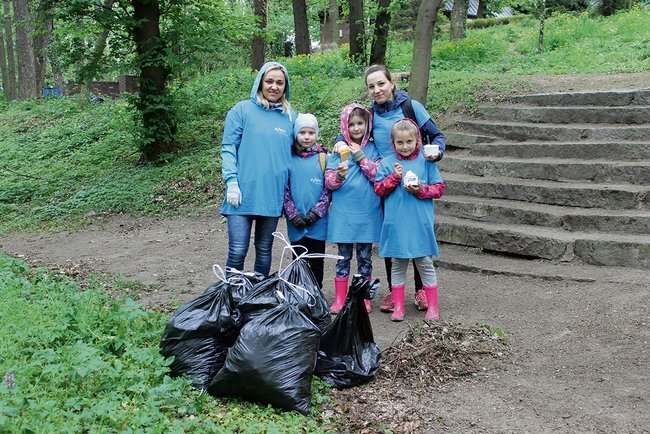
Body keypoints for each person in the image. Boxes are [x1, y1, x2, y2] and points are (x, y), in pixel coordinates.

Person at [364, 64, 446, 314]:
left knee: (418, 239)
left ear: (391, 83)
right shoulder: (370, 115)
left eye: (381, 83)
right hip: (389, 178)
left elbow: (437, 135)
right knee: (394, 237)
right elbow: (351, 133)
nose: (377, 90)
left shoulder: (411, 106)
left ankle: (422, 291)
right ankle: (394, 290)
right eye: (371, 86)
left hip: (417, 173)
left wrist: (435, 155)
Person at [220, 61, 295, 277]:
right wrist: (231, 182)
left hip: (271, 195)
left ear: (285, 86)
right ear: (260, 82)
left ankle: (258, 298)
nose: (274, 86)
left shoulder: (290, 116)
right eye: (269, 81)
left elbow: (304, 146)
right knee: (237, 250)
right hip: (241, 194)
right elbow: (228, 149)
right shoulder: (241, 110)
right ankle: (232, 298)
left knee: (264, 251)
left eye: (279, 83)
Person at [373, 119, 446, 321]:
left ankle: (432, 307)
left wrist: (421, 190)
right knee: (398, 264)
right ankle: (398, 307)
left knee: (424, 262)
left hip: (419, 223)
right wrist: (394, 178)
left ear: (418, 141)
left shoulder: (426, 162)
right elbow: (378, 189)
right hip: (396, 224)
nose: (405, 147)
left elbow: (439, 188)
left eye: (409, 142)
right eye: (400, 143)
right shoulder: (387, 163)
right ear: (393, 143)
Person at [325, 103, 382, 314]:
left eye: (360, 123)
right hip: (344, 214)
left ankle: (362, 297)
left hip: (367, 212)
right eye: (351, 124)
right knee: (343, 257)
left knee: (365, 258)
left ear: (367, 124)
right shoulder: (338, 149)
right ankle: (340, 299)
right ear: (344, 126)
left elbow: (378, 175)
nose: (356, 128)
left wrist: (360, 156)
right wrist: (339, 175)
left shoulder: (374, 149)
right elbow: (328, 182)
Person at [283, 113, 330, 288]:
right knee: (298, 260)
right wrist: (293, 214)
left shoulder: (324, 158)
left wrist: (315, 213)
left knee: (317, 260)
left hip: (318, 222)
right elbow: (284, 189)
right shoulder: (288, 158)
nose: (307, 137)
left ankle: (316, 292)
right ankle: (298, 292)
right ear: (296, 134)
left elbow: (328, 190)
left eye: (311, 132)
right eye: (302, 132)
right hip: (295, 223)